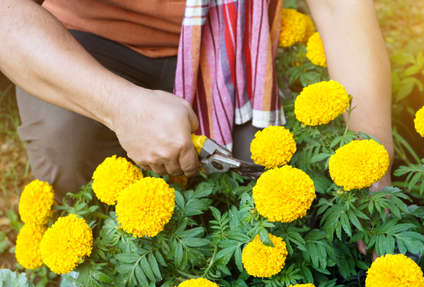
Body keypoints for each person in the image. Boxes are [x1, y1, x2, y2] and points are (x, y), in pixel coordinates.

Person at [0, 0, 393, 202]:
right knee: (67, 145)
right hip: (91, 42)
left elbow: (341, 9)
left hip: (234, 40)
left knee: (262, 189)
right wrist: (119, 106)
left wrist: (373, 170)